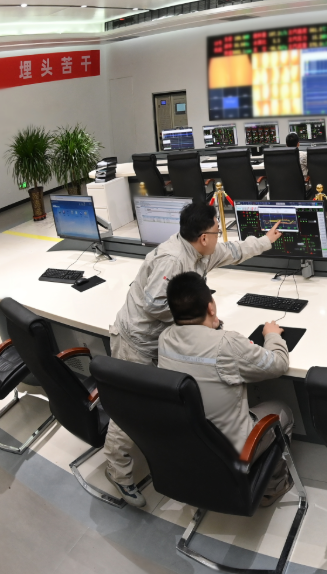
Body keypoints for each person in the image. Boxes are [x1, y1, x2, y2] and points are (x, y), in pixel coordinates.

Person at [104, 203, 282, 505]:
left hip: (161, 340)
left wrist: (266, 241)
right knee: (131, 411)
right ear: (203, 237)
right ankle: (117, 471)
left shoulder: (201, 249)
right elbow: (154, 305)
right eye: (217, 231)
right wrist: (202, 323)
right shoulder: (172, 260)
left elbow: (233, 251)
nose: (219, 236)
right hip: (136, 342)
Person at [158, 272, 295, 507]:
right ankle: (272, 487)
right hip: (233, 449)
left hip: (188, 446)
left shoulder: (164, 339)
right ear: (211, 307)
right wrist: (272, 335)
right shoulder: (227, 344)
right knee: (283, 410)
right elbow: (279, 364)